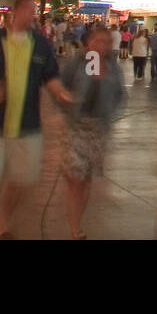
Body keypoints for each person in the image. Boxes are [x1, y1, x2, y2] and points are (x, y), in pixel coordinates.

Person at [0, 0, 73, 239]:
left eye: (33, 11)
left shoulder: (41, 45)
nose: (31, 15)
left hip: (27, 124)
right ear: (14, 12)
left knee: (22, 179)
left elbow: (50, 77)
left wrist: (62, 94)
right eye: (27, 10)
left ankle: (4, 221)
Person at [59, 25, 123, 239]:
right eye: (97, 41)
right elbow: (59, 87)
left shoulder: (113, 68)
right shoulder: (77, 64)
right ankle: (74, 229)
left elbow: (120, 94)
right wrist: (66, 106)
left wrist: (110, 114)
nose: (101, 46)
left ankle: (76, 222)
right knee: (75, 179)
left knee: (85, 180)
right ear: (89, 42)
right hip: (76, 128)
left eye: (106, 42)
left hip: (98, 130)